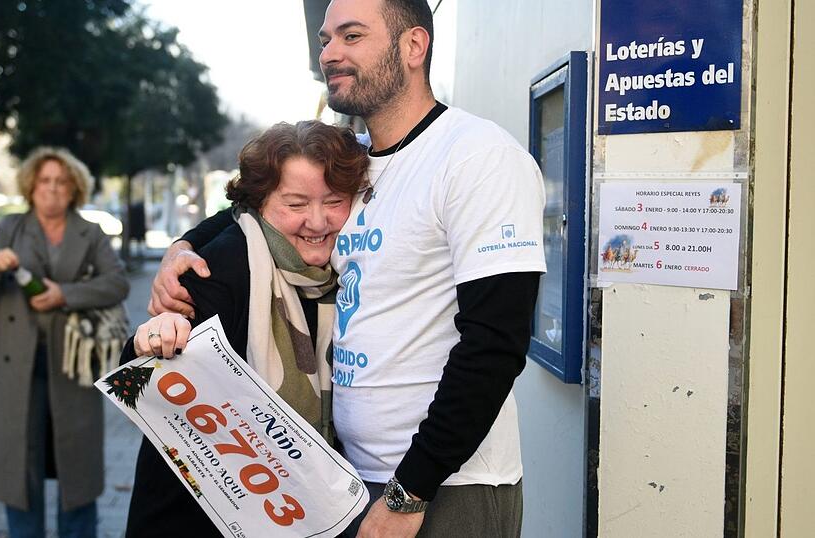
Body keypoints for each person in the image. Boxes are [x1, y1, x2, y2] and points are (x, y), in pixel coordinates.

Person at [148, 1, 546, 536]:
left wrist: (411, 491)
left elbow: (495, 342)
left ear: (413, 46)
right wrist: (180, 247)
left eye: (352, 36)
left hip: (447, 484)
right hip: (348, 479)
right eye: (326, 39)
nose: (329, 53)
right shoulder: (353, 163)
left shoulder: (476, 157)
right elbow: (253, 206)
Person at [119, 120, 369, 537]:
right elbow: (137, 372)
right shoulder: (224, 263)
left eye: (334, 200)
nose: (318, 221)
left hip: (295, 516)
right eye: (295, 204)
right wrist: (155, 336)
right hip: (194, 518)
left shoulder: (347, 270)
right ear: (260, 203)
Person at [0, 147, 129, 538]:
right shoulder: (10, 228)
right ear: (31, 186)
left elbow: (117, 283)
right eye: (45, 181)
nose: (52, 189)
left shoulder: (91, 233)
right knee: (20, 464)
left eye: (61, 182)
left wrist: (65, 294)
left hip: (72, 362)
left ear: (74, 190)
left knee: (77, 465)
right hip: (13, 365)